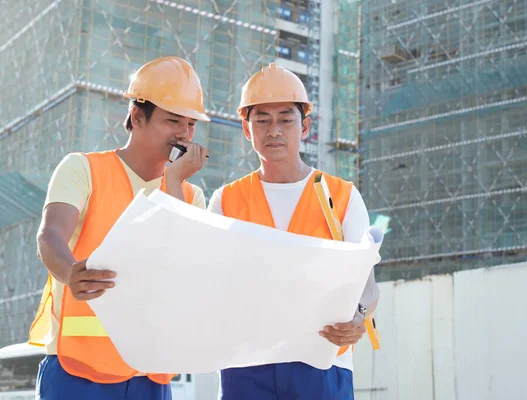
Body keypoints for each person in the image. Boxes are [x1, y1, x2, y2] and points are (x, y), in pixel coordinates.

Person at [28, 56, 210, 400]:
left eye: (191, 125)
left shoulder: (190, 193)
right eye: (174, 121)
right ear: (137, 116)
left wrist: (172, 181)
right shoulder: (83, 169)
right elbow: (50, 235)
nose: (184, 134)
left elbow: (185, 266)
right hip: (78, 370)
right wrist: (70, 273)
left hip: (151, 373)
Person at [207, 62, 380, 399]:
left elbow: (369, 287)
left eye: (286, 120)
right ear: (247, 128)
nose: (274, 131)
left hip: (322, 362)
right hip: (247, 363)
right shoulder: (225, 201)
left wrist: (359, 316)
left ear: (305, 127)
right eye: (263, 120)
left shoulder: (341, 196)